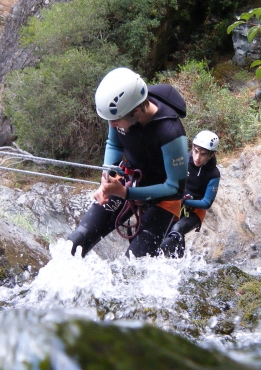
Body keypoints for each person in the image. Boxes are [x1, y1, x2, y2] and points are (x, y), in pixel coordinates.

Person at [68, 67, 188, 258]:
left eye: (114, 120)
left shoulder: (170, 133)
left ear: (137, 111)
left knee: (132, 266)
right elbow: (114, 144)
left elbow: (175, 188)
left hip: (164, 199)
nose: (111, 124)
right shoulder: (122, 113)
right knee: (74, 244)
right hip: (129, 180)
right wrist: (107, 179)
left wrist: (126, 193)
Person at [159, 130, 221, 258]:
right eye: (196, 151)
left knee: (177, 230)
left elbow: (206, 203)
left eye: (203, 154)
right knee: (161, 234)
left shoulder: (213, 174)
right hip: (175, 205)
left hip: (195, 211)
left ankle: (179, 263)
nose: (197, 158)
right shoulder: (183, 161)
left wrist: (184, 201)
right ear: (192, 147)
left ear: (211, 155)